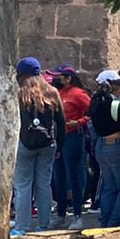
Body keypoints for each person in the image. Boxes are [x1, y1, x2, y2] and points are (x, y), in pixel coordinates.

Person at [12, 57, 63, 234]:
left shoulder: (19, 93)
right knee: (44, 184)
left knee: (23, 186)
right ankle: (44, 224)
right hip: (48, 143)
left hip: (25, 142)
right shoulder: (52, 92)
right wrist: (59, 146)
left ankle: (21, 227)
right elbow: (61, 122)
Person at [88, 72, 120, 227]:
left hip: (101, 145)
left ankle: (105, 220)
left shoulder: (97, 101)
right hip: (116, 145)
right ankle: (114, 221)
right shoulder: (115, 105)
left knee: (108, 186)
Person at [51, 67, 92, 228]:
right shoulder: (58, 94)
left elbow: (92, 112)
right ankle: (61, 214)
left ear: (68, 78)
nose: (56, 80)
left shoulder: (78, 94)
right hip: (59, 138)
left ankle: (77, 215)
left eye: (59, 77)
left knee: (73, 176)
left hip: (73, 136)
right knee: (58, 176)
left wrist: (79, 122)